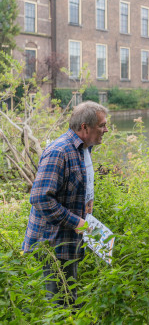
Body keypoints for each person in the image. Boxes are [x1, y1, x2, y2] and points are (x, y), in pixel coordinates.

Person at [22, 101, 109, 306]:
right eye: (102, 125)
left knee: (70, 300)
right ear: (84, 127)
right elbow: (40, 198)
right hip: (52, 244)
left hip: (69, 241)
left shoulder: (84, 149)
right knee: (59, 306)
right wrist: (76, 222)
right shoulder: (59, 152)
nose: (106, 130)